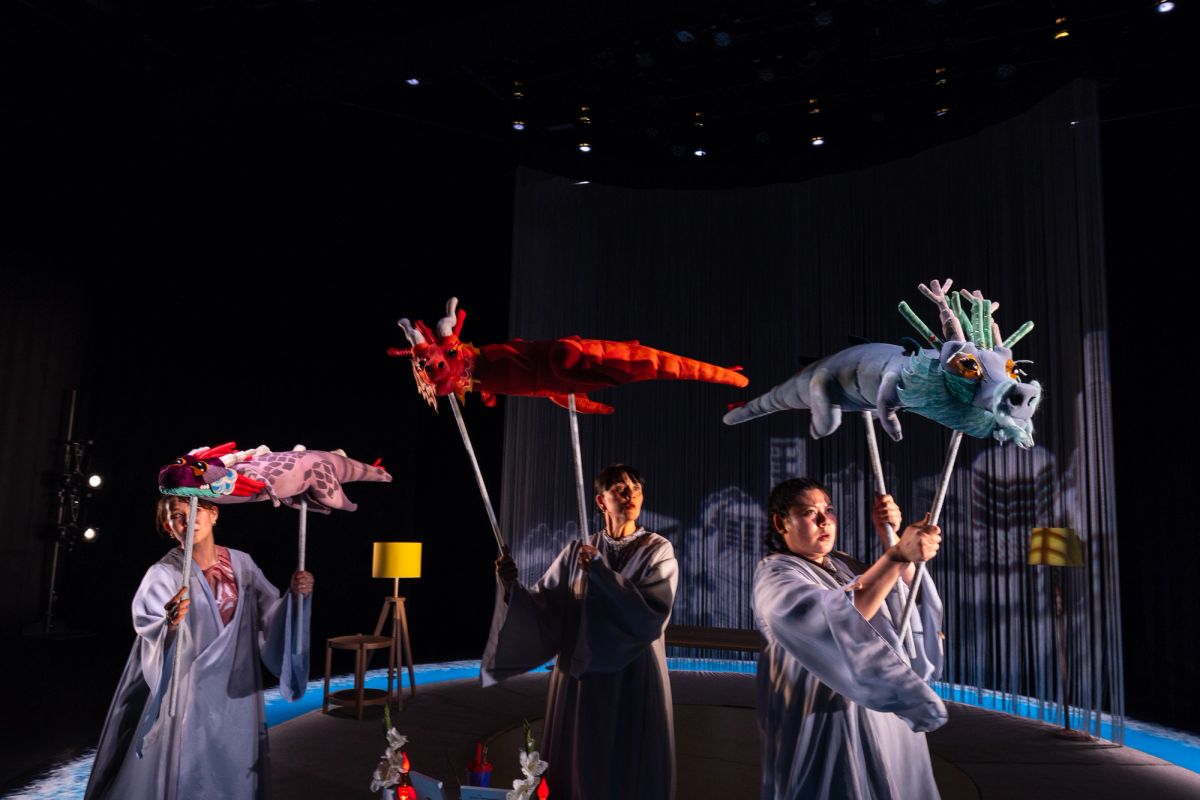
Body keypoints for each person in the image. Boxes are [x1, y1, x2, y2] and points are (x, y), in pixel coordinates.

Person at [85, 495, 313, 800]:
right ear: (169, 527)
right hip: (189, 694)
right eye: (177, 516)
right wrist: (171, 624)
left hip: (236, 689)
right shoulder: (164, 574)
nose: (188, 520)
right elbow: (150, 632)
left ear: (213, 513)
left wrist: (295, 598)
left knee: (235, 765)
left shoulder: (242, 564)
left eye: (195, 511)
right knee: (190, 770)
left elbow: (270, 616)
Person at [482, 464, 678, 799]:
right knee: (584, 756)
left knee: (627, 755)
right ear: (602, 502)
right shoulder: (578, 550)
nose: (631, 494)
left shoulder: (656, 550)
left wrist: (601, 573)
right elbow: (546, 606)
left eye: (636, 488)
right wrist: (511, 585)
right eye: (620, 488)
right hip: (582, 679)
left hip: (632, 674)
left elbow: (652, 612)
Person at [754, 477, 946, 800]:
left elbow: (900, 599)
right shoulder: (775, 575)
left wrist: (892, 539)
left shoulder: (841, 563)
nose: (823, 520)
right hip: (823, 714)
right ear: (780, 522)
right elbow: (834, 619)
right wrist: (898, 554)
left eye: (828, 510)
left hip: (875, 706)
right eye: (808, 512)